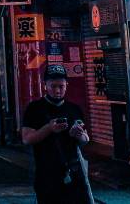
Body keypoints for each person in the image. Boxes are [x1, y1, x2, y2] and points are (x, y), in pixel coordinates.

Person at [20, 66, 92, 203]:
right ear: (45, 85)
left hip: (74, 172)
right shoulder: (34, 109)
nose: (57, 91)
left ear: (67, 85)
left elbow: (85, 140)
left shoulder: (74, 109)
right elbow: (27, 139)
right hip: (47, 174)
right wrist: (49, 128)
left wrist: (78, 135)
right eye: (53, 86)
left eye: (61, 86)